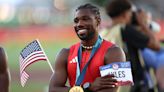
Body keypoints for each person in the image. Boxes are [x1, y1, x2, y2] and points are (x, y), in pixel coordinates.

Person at [49, 3, 126, 92]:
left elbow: (111, 90)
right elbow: (53, 89)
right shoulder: (65, 53)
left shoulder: (114, 52)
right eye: (76, 21)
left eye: (85, 19)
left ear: (98, 21)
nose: (79, 24)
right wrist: (87, 87)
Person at [100, 0, 161, 92]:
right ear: (125, 14)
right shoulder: (125, 30)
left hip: (114, 84)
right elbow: (156, 46)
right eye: (130, 13)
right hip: (133, 85)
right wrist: (143, 24)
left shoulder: (103, 33)